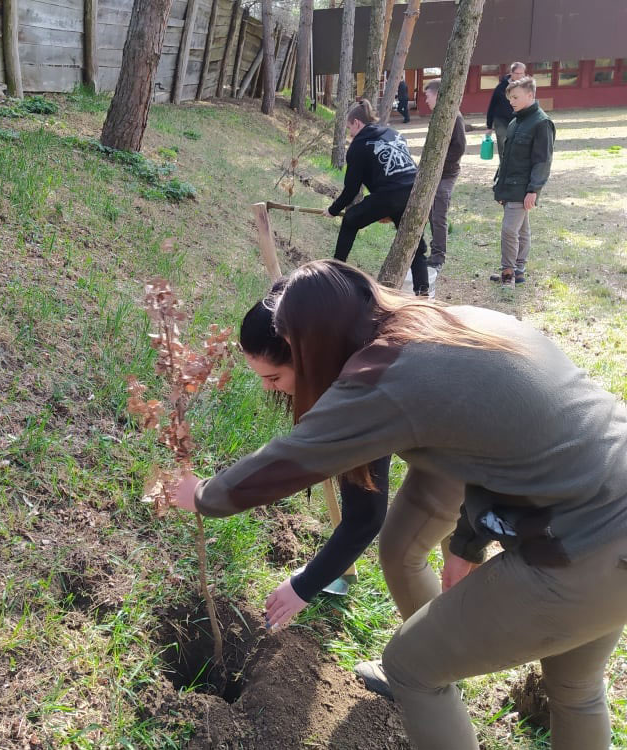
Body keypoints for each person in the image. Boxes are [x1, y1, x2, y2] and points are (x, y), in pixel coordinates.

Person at [176, 259, 627, 750]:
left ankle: (431, 677)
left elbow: (294, 458)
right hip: (607, 498)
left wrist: (203, 495)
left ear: (312, 348)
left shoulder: (385, 378)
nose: (270, 389)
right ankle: (442, 669)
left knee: (411, 667)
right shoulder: (438, 326)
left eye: (276, 373)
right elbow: (493, 441)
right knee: (575, 688)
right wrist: (467, 543)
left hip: (587, 544)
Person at [240, 285, 392, 611]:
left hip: (473, 447)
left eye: (273, 376)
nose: (266, 388)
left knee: (406, 550)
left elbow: (365, 516)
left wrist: (302, 587)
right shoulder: (344, 340)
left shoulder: (363, 396)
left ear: (306, 358)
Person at [323, 99, 429, 296]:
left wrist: (333, 210)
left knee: (350, 219)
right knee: (414, 243)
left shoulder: (359, 146)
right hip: (415, 193)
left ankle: (335, 270)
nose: (350, 134)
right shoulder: (392, 133)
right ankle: (423, 292)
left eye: (349, 129)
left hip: (390, 194)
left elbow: (352, 189)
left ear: (357, 123)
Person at [489, 76, 555, 287]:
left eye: (515, 97)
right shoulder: (515, 121)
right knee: (521, 229)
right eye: (510, 98)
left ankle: (508, 273)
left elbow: (543, 160)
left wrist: (534, 190)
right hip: (509, 186)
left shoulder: (542, 123)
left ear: (530, 95)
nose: (511, 101)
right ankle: (519, 271)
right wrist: (500, 187)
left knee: (510, 229)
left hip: (524, 188)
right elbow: (506, 158)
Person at [422, 78, 467, 272]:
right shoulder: (438, 116)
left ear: (438, 95)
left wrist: (439, 164)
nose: (425, 100)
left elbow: (458, 148)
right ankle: (431, 251)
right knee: (430, 214)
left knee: (439, 214)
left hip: (446, 174)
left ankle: (439, 257)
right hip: (433, 173)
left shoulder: (454, 117)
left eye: (427, 96)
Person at [486, 61, 526, 161]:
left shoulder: (527, 88)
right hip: (501, 120)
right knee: (503, 145)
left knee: (518, 146)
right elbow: (492, 106)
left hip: (519, 120)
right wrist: (489, 126)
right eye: (517, 73)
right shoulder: (501, 87)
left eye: (522, 73)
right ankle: (503, 167)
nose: (519, 76)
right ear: (511, 73)